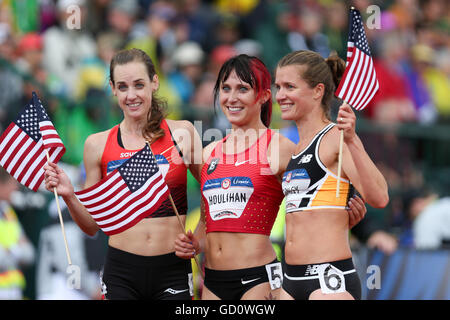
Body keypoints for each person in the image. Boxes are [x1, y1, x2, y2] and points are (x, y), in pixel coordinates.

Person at [174, 54, 367, 300]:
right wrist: (196, 243)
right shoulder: (209, 152)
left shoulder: (280, 148)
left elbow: (319, 191)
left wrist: (344, 215)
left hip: (258, 279)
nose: (232, 98)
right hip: (212, 280)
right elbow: (207, 218)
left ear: (264, 96)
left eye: (242, 89)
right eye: (225, 89)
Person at [44, 48, 202, 300]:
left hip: (173, 269)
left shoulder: (182, 133)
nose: (131, 95)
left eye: (139, 85)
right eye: (123, 86)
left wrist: (200, 238)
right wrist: (69, 195)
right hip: (121, 272)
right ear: (113, 89)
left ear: (154, 82)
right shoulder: (97, 144)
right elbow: (92, 225)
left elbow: (211, 192)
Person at [274, 50, 389, 300]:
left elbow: (379, 197)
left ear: (317, 91)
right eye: (278, 87)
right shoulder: (295, 147)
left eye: (289, 86)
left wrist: (353, 140)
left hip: (328, 279)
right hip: (290, 279)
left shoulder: (335, 138)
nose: (280, 95)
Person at [0, 167, 35, 299]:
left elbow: (30, 254)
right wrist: (17, 248)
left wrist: (9, 250)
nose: (16, 188)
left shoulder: (8, 212)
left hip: (15, 292)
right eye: (12, 182)